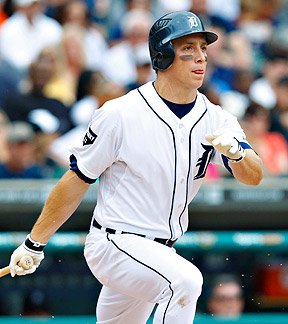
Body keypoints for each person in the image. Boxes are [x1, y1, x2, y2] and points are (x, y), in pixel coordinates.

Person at [8, 11, 263, 324]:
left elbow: (254, 177)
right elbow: (77, 179)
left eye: (203, 49)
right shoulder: (120, 113)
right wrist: (34, 243)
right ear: (163, 55)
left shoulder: (218, 118)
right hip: (114, 243)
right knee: (184, 282)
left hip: (159, 253)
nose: (200, 57)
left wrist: (238, 154)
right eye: (188, 49)